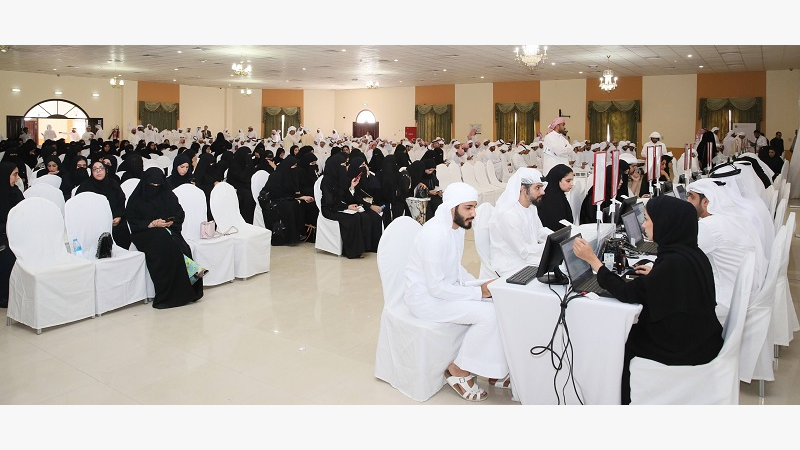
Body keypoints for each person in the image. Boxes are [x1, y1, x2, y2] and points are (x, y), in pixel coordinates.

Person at [572, 195, 723, 404]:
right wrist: (656, 275)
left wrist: (594, 262)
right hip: (704, 339)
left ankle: (621, 400)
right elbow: (673, 284)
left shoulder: (671, 265)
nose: (643, 225)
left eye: (648, 219)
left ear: (665, 224)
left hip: (685, 348)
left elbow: (626, 292)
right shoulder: (689, 253)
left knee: (620, 339)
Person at [405, 182, 509, 401]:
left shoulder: (456, 228)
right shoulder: (434, 235)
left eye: (474, 207)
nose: (473, 213)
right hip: (425, 300)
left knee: (499, 304)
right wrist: (478, 293)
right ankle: (458, 370)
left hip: (444, 292)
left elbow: (455, 270)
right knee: (489, 315)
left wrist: (482, 285)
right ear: (452, 208)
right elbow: (436, 288)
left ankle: (492, 369)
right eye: (468, 208)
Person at [686, 179, 766, 326]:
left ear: (706, 202)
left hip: (723, 303)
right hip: (742, 297)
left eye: (691, 197)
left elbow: (683, 257)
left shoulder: (709, 226)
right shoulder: (736, 218)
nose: (687, 201)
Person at [125, 168, 203, 309]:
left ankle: (191, 291)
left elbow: (179, 213)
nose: (155, 188)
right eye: (152, 185)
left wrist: (171, 221)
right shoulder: (137, 198)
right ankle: (168, 295)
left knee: (183, 248)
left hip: (168, 230)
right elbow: (132, 220)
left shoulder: (167, 194)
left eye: (158, 185)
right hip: (145, 232)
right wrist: (152, 223)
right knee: (167, 246)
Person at [489, 168, 551, 277]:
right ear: (523, 188)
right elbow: (524, 251)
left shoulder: (531, 208)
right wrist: (552, 246)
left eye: (541, 187)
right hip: (510, 265)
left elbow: (539, 232)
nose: (543, 192)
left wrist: (558, 238)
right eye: (537, 188)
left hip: (528, 258)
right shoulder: (508, 214)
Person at [320, 153, 382, 259]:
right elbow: (330, 201)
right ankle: (352, 251)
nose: (345, 167)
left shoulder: (341, 178)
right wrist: (346, 207)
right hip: (329, 209)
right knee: (353, 219)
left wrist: (352, 187)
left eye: (345, 165)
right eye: (343, 165)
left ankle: (362, 248)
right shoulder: (327, 181)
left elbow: (346, 198)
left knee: (360, 216)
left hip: (340, 206)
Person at [76, 160, 132, 250]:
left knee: (122, 230)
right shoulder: (84, 187)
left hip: (115, 220)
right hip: (93, 222)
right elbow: (80, 207)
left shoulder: (113, 184)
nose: (98, 171)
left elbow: (121, 201)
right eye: (95, 169)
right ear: (91, 172)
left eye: (101, 168)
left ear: (105, 170)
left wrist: (119, 216)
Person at [261, 155, 314, 245]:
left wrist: (302, 197)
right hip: (270, 200)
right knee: (289, 206)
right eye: (293, 166)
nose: (294, 169)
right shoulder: (276, 176)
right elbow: (274, 193)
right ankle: (287, 237)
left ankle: (298, 234)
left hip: (283, 199)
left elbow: (289, 193)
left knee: (300, 204)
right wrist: (295, 197)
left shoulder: (288, 176)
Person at [0, 162, 24, 308]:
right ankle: (4, 296)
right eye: (14, 174)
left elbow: (24, 211)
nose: (17, 178)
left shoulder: (15, 192)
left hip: (17, 232)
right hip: (3, 235)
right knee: (7, 255)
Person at [537, 164, 574, 231]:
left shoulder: (560, 196)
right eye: (568, 181)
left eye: (572, 180)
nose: (572, 184)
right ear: (557, 180)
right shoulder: (550, 200)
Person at [227, 148, 257, 224]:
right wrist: (248, 165)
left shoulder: (249, 164)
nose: (249, 157)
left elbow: (253, 176)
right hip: (237, 188)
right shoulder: (234, 165)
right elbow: (242, 178)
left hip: (247, 186)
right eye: (247, 155)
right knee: (248, 197)